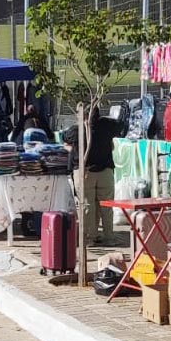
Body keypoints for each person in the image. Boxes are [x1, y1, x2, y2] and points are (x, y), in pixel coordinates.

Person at [64, 104, 120, 246]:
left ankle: (89, 238)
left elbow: (66, 138)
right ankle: (109, 237)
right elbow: (120, 127)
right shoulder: (108, 125)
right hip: (106, 171)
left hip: (85, 172)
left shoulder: (77, 130)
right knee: (107, 206)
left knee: (87, 205)